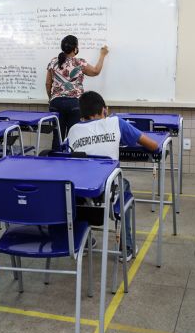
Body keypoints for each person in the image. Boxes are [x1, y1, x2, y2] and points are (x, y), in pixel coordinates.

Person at [64, 91, 158, 260]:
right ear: (104, 110)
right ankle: (126, 247)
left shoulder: (72, 131)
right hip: (109, 190)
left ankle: (82, 242)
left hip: (82, 190)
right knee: (125, 187)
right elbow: (152, 145)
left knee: (72, 191)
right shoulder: (116, 123)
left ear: (81, 113)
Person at [46, 35, 109, 148]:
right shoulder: (79, 63)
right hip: (74, 103)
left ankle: (55, 163)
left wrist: (51, 98)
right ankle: (72, 163)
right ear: (75, 49)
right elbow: (95, 71)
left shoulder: (53, 62)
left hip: (56, 104)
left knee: (57, 137)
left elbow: (48, 84)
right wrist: (102, 55)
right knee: (74, 136)